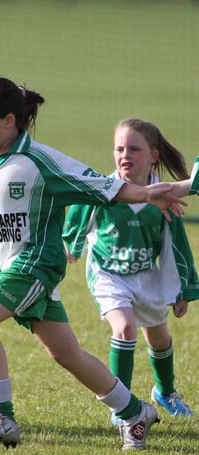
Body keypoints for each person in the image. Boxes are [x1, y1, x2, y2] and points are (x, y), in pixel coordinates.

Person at [0, 76, 186, 451]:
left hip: (36, 264)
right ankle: (135, 412)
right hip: (9, 268)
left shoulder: (41, 161)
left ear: (9, 121)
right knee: (65, 353)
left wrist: (148, 194)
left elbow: (103, 186)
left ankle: (2, 416)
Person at [62, 118, 198, 426]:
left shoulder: (162, 198)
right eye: (119, 148)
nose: (125, 155)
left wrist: (184, 291)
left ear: (153, 155)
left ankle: (165, 392)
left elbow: (177, 246)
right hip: (108, 274)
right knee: (123, 328)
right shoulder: (103, 189)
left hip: (146, 276)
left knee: (160, 339)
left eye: (134, 149)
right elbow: (78, 215)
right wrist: (71, 247)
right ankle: (122, 406)